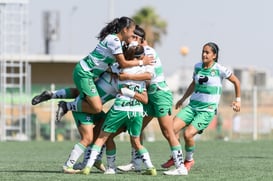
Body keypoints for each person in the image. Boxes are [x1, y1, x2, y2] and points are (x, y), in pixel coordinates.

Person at [115, 25, 188, 176]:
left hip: (160, 94)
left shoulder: (148, 52)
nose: (130, 40)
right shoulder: (138, 52)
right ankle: (136, 163)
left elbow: (148, 76)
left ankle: (181, 167)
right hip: (149, 97)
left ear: (140, 39)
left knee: (167, 132)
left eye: (133, 37)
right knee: (137, 128)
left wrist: (126, 76)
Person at [161, 42, 241, 174]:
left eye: (207, 52)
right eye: (203, 51)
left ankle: (189, 160)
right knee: (171, 130)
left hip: (206, 110)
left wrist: (238, 101)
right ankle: (175, 157)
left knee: (188, 134)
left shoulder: (220, 69)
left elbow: (236, 82)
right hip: (192, 106)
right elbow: (193, 84)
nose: (204, 54)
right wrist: (183, 99)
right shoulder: (197, 67)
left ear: (214, 55)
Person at [55, 16, 153, 122]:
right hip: (85, 72)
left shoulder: (117, 42)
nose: (133, 35)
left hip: (88, 74)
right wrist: (143, 62)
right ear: (125, 30)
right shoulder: (114, 41)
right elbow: (123, 63)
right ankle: (66, 105)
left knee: (86, 100)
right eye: (132, 32)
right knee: (96, 107)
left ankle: (53, 96)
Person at [81, 45, 157, 176]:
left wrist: (126, 90)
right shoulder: (144, 73)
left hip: (120, 108)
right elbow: (145, 99)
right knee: (137, 142)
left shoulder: (120, 68)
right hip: (137, 111)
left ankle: (90, 167)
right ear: (141, 56)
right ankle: (151, 168)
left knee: (101, 137)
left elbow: (107, 68)